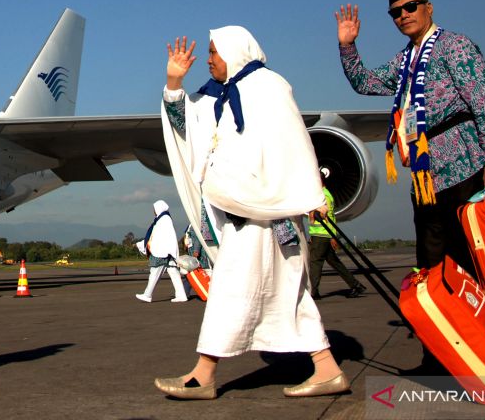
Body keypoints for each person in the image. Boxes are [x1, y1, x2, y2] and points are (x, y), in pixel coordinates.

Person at [157, 28, 348, 400]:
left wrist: (309, 193)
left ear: (235, 51)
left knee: (231, 288)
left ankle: (204, 373)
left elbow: (296, 140)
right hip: (243, 212)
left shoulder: (269, 87)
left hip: (268, 214)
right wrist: (174, 82)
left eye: (214, 52)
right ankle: (326, 367)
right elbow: (187, 129)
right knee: (289, 292)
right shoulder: (220, 97)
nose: (208, 59)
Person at [335, 0, 485, 273]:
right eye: (395, 12)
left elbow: (484, 101)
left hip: (464, 167)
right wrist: (347, 46)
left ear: (429, 7)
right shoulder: (404, 61)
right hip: (426, 178)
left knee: (472, 256)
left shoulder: (455, 46)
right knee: (433, 263)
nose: (403, 14)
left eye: (410, 6)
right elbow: (366, 83)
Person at [307, 167, 365, 300]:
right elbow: (332, 218)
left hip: (321, 235)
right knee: (335, 262)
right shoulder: (326, 194)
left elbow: (324, 216)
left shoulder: (322, 196)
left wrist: (332, 235)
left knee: (315, 262)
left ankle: (313, 292)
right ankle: (355, 285)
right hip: (323, 234)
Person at [135, 199, 187, 302]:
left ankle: (147, 295)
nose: (153, 211)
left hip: (162, 252)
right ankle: (181, 295)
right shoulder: (163, 219)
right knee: (174, 273)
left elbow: (159, 237)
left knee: (154, 273)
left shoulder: (163, 220)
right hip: (168, 252)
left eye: (154, 209)